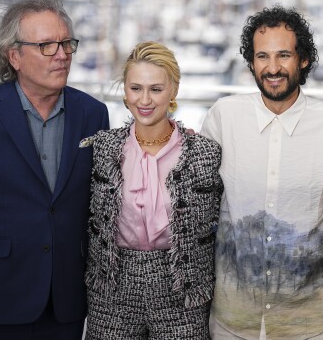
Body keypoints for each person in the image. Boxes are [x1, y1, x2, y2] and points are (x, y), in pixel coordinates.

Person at [200, 5, 323, 339]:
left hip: (312, 322)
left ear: (303, 60)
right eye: (262, 56)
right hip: (233, 319)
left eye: (283, 55)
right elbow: (199, 205)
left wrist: (317, 243)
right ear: (251, 62)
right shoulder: (222, 118)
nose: (272, 68)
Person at [0, 0, 109, 340]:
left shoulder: (94, 114)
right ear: (15, 56)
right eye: (47, 45)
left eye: (67, 43)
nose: (62, 55)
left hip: (65, 305)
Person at [80, 41, 223, 339]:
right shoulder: (103, 148)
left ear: (174, 90)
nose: (144, 100)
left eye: (156, 89)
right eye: (136, 88)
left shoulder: (204, 153)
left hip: (182, 287)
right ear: (125, 91)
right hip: (113, 288)